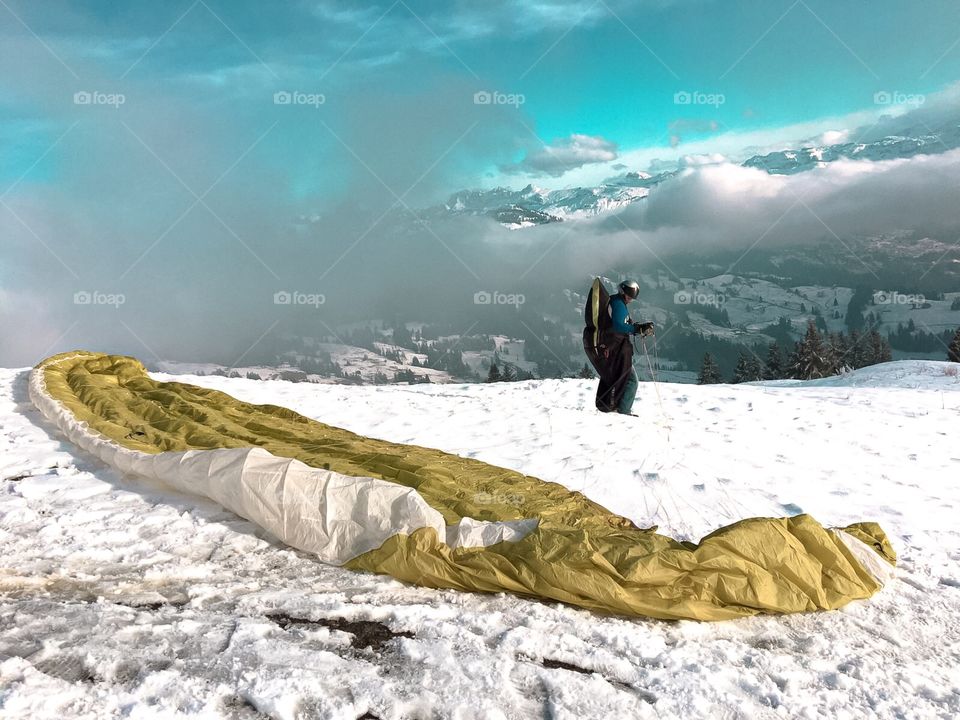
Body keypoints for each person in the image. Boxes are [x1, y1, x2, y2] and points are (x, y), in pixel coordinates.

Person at [598, 280, 654, 415]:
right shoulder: (618, 304)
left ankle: (615, 406)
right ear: (623, 292)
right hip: (616, 349)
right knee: (632, 381)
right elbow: (619, 325)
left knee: (619, 377)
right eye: (629, 296)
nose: (630, 299)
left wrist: (636, 327)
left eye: (632, 297)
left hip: (612, 346)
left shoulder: (616, 301)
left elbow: (619, 323)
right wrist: (637, 329)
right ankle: (624, 410)